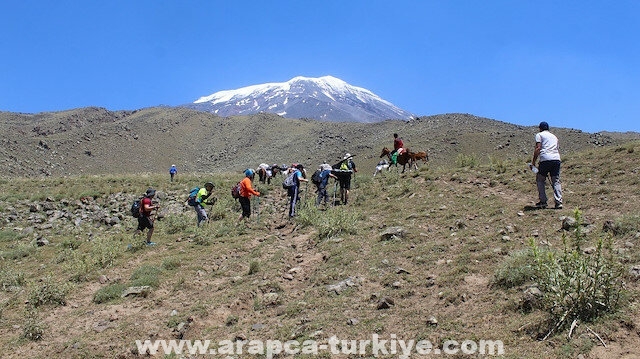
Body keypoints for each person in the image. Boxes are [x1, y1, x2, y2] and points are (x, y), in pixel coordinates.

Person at [530, 121, 563, 209]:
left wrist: (533, 162)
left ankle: (543, 201)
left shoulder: (539, 135)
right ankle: (559, 202)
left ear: (540, 128)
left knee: (540, 179)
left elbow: (538, 148)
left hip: (545, 159)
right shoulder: (554, 137)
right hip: (556, 159)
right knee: (555, 180)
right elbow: (557, 148)